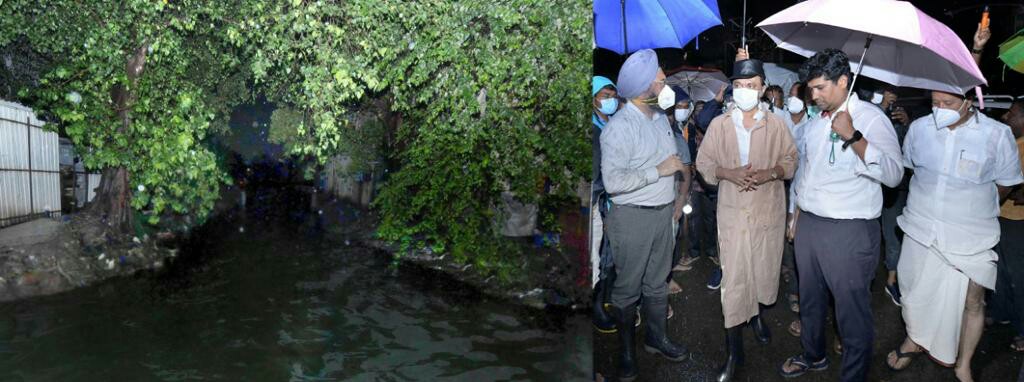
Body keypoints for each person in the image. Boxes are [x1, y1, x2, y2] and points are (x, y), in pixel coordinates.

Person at [779, 49, 904, 381]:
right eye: (811, 89)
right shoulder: (814, 123)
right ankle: (813, 354)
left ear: (843, 81)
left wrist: (854, 136)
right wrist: (796, 214)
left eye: (820, 88)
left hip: (849, 231)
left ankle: (853, 375)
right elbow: (807, 171)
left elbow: (893, 174)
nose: (813, 95)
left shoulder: (871, 119)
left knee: (851, 312)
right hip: (809, 226)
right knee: (810, 299)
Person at [886, 90, 1023, 382]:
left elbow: (1008, 182)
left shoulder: (997, 135)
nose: (939, 109)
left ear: (969, 101)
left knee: (973, 303)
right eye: (935, 103)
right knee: (913, 291)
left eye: (947, 104)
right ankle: (915, 338)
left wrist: (978, 208)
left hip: (971, 235)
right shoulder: (920, 129)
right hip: (921, 228)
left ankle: (964, 363)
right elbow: (911, 171)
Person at [695, 56, 797, 382]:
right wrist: (730, 173)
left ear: (763, 89)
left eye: (751, 86)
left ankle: (756, 319)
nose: (745, 91)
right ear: (732, 90)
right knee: (734, 281)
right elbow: (704, 164)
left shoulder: (778, 125)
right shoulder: (720, 125)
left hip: (767, 211)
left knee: (763, 272)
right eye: (739, 86)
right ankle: (733, 353)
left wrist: (771, 173)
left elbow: (791, 161)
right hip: (733, 212)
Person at [600, 49, 689, 381]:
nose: (666, 84)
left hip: (662, 214)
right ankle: (625, 352)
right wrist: (659, 170)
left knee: (657, 283)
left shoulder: (659, 119)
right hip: (632, 218)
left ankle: (655, 338)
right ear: (644, 87)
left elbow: (674, 164)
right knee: (627, 289)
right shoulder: (619, 128)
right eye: (661, 79)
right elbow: (613, 182)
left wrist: (676, 202)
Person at [876, 86, 913, 306]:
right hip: (871, 182)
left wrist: (906, 123)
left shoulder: (903, 116)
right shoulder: (870, 110)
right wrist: (880, 109)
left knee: (893, 233)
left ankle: (892, 280)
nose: (892, 96)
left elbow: (910, 150)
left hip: (896, 186)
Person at [992, 99, 1024, 351]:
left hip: (1018, 222)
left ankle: (1022, 329)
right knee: (1000, 272)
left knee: (1018, 277)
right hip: (1001, 216)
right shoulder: (1011, 143)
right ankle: (1001, 313)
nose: (1005, 117)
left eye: (1012, 114)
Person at [591, 75, 621, 333]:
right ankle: (596, 307)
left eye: (613, 96)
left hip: (612, 202)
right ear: (592, 99)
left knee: (609, 257)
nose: (610, 101)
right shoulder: (593, 130)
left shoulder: (610, 123)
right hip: (598, 202)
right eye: (605, 96)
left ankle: (606, 298)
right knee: (597, 259)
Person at [667, 85, 694, 297]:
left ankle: (666, 276)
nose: (679, 111)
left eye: (686, 106)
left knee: (670, 239)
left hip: (673, 194)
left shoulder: (679, 133)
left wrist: (681, 199)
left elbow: (685, 170)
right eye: (677, 107)